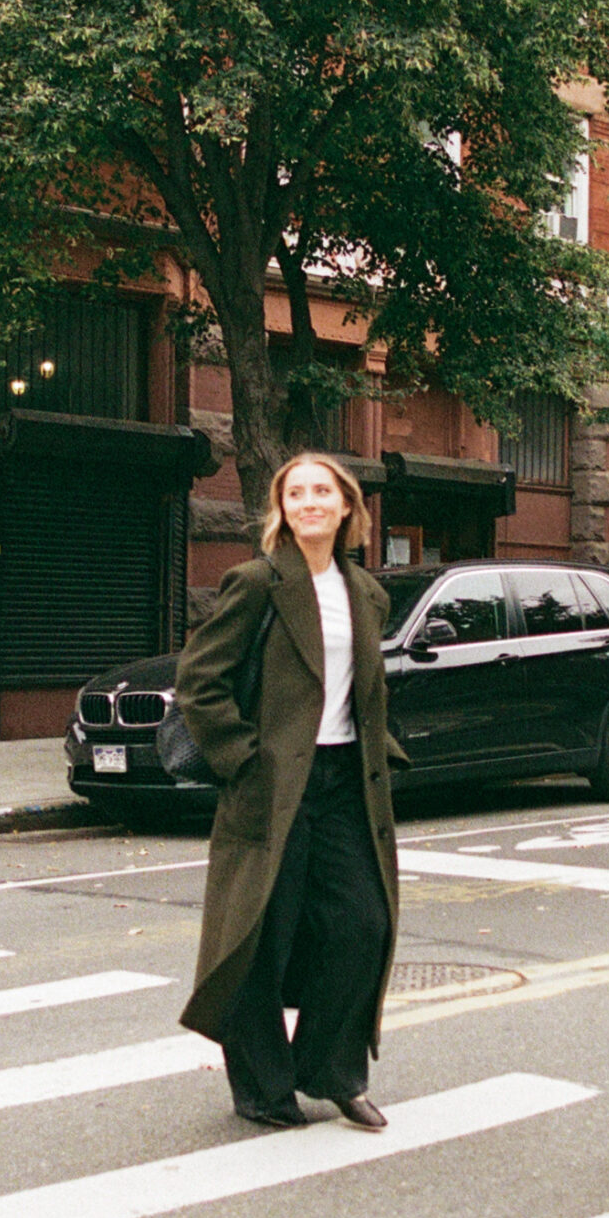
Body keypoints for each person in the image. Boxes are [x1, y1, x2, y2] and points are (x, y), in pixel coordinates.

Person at [175, 452, 407, 1130]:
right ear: (283, 509)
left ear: (346, 508)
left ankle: (330, 1069)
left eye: (322, 491)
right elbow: (200, 681)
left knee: (362, 927)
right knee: (259, 937)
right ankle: (261, 1086)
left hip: (343, 786)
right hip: (272, 787)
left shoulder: (366, 592)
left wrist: (382, 752)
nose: (310, 502)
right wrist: (245, 761)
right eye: (296, 492)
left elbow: (365, 689)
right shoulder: (255, 582)